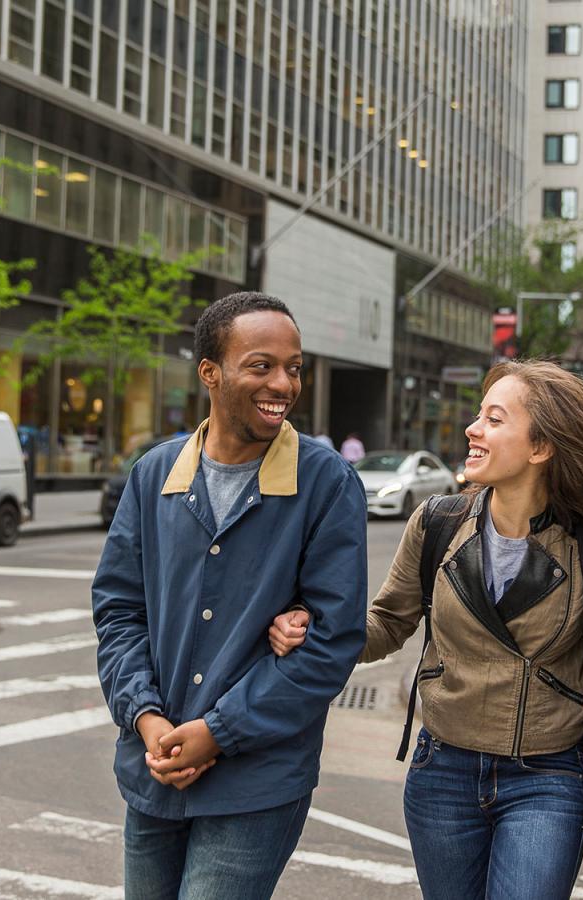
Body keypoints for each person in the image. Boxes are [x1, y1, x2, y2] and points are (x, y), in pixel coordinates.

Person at [271, 360, 583, 899]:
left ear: (541, 448)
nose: (472, 429)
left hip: (545, 777)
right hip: (442, 770)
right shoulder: (437, 522)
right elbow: (387, 622)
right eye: (479, 415)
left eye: (494, 420)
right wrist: (317, 628)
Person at [91, 291, 368, 900]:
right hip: (154, 765)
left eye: (294, 367)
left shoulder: (327, 484)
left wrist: (217, 731)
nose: (284, 384)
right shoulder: (152, 475)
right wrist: (146, 717)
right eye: (261, 365)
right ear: (210, 373)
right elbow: (118, 612)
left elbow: (331, 640)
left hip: (257, 780)